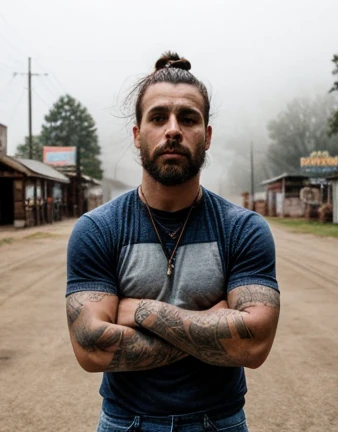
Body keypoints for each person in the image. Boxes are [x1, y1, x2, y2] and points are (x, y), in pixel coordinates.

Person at [65, 52, 281, 432]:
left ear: (207, 135)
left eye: (188, 118)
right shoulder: (98, 229)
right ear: (137, 134)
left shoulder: (243, 228)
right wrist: (212, 328)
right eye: (158, 116)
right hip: (125, 422)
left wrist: (141, 311)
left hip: (219, 421)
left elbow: (254, 345)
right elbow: (91, 347)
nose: (173, 129)